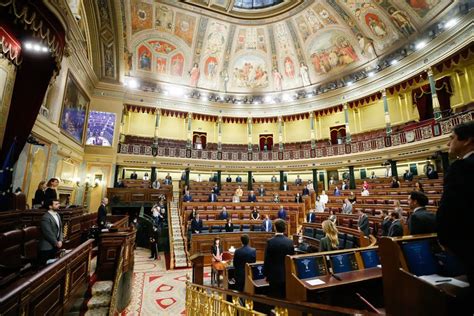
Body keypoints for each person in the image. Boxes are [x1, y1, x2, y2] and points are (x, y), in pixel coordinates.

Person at [437, 121, 474, 300]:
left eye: (452, 138)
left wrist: (445, 240)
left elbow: (450, 210)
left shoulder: (461, 168)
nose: (448, 143)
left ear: (467, 140)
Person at [263, 219, 294, 298]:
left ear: (275, 228)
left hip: (273, 275)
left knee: (274, 296)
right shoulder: (290, 242)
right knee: (284, 296)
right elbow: (291, 259)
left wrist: (265, 274)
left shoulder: (270, 242)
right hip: (286, 274)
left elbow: (267, 260)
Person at [39, 199, 63, 265]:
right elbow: (48, 233)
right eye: (56, 204)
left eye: (59, 203)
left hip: (55, 245)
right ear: (50, 206)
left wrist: (60, 240)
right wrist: (56, 242)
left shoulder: (57, 215)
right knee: (46, 268)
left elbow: (60, 229)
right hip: (47, 247)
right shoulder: (45, 217)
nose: (59, 205)